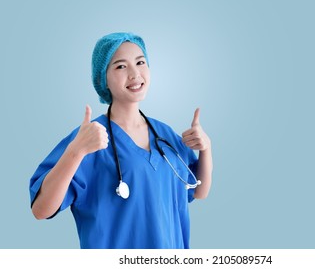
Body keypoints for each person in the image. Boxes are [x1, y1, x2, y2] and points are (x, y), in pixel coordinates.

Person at [29, 32, 213, 249]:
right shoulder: (90, 138)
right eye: (120, 66)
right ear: (102, 79)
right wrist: (76, 152)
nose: (135, 73)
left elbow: (198, 192)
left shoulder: (165, 136)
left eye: (140, 62)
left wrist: (206, 149)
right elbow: (41, 210)